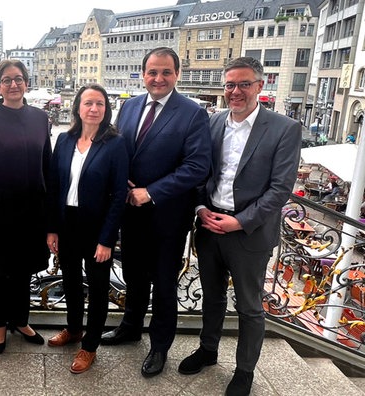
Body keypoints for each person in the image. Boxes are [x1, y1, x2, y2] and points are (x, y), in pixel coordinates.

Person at [178, 57, 301, 395]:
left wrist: (239, 221)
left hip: (249, 233)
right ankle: (208, 350)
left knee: (249, 307)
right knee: (212, 297)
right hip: (210, 225)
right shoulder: (214, 122)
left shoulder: (283, 128)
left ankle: (245, 370)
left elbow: (280, 189)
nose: (235, 91)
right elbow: (201, 171)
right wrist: (201, 208)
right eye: (230, 84)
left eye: (244, 84)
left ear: (260, 86)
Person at [102, 47, 211, 378]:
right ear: (143, 74)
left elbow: (197, 167)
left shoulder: (193, 113)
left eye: (165, 72)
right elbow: (119, 150)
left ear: (177, 74)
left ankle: (160, 345)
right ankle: (130, 327)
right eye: (152, 72)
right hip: (130, 213)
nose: (158, 78)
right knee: (134, 277)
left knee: (164, 284)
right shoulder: (130, 105)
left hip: (167, 216)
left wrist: (150, 192)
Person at [0, 59, 51, 354]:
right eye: (7, 80)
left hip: (32, 210)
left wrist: (50, 215)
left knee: (24, 270)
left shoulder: (40, 118)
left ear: (26, 82)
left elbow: (47, 165)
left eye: (18, 79)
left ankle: (20, 319)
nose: (13, 84)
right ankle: (0, 325)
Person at [46, 84, 128, 373]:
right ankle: (73, 329)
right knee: (69, 280)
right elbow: (55, 186)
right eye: (88, 103)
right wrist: (52, 228)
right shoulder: (65, 140)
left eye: (100, 104)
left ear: (106, 109)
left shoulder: (115, 143)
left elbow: (119, 196)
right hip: (67, 222)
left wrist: (107, 240)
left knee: (97, 286)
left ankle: (90, 345)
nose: (94, 109)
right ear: (77, 108)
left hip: (97, 227)